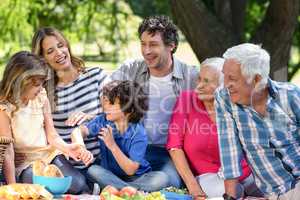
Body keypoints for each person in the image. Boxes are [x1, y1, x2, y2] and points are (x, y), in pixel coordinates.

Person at [110, 15, 199, 188]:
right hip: (134, 148)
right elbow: (106, 93)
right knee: (98, 169)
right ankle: (134, 186)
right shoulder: (131, 69)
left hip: (170, 152)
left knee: (170, 182)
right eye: (143, 44)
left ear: (171, 46)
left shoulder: (191, 77)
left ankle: (121, 187)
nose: (146, 51)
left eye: (153, 44)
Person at [166, 57, 262, 199]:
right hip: (208, 177)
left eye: (206, 81)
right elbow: (174, 146)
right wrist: (192, 185)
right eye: (199, 79)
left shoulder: (236, 105)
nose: (198, 86)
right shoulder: (186, 100)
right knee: (231, 191)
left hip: (244, 173)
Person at [215, 43, 300, 200]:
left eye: (232, 78)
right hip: (274, 193)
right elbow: (229, 149)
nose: (226, 84)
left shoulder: (290, 95)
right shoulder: (224, 98)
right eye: (224, 76)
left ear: (256, 79)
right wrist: (230, 198)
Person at [0, 51, 93, 194]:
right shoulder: (5, 108)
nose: (41, 88)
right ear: (21, 83)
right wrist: (12, 187)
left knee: (78, 183)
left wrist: (67, 148)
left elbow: (51, 134)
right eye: (37, 84)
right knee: (44, 187)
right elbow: (8, 151)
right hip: (25, 164)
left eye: (42, 83)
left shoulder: (41, 97)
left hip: (49, 156)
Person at [31, 27, 109, 189]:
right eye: (50, 51)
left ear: (67, 46)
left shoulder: (96, 76)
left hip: (104, 159)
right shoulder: (44, 92)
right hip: (68, 164)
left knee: (97, 174)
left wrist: (88, 117)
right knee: (77, 183)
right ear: (43, 59)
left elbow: (118, 116)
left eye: (61, 45)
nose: (59, 53)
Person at [75, 80, 168, 191]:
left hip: (137, 177)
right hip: (110, 175)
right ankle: (131, 191)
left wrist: (112, 145)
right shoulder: (103, 121)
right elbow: (78, 131)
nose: (105, 107)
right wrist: (81, 147)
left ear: (129, 109)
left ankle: (118, 189)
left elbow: (131, 170)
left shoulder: (138, 133)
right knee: (93, 170)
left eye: (112, 103)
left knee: (161, 179)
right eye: (106, 101)